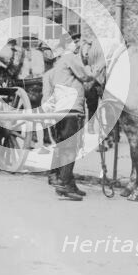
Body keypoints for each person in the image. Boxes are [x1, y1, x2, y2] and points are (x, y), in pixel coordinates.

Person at [44, 31, 96, 201]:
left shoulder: (58, 64)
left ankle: (68, 182)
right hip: (71, 109)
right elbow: (86, 75)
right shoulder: (70, 58)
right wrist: (98, 69)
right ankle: (64, 185)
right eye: (74, 42)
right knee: (70, 148)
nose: (77, 44)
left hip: (62, 109)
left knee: (64, 145)